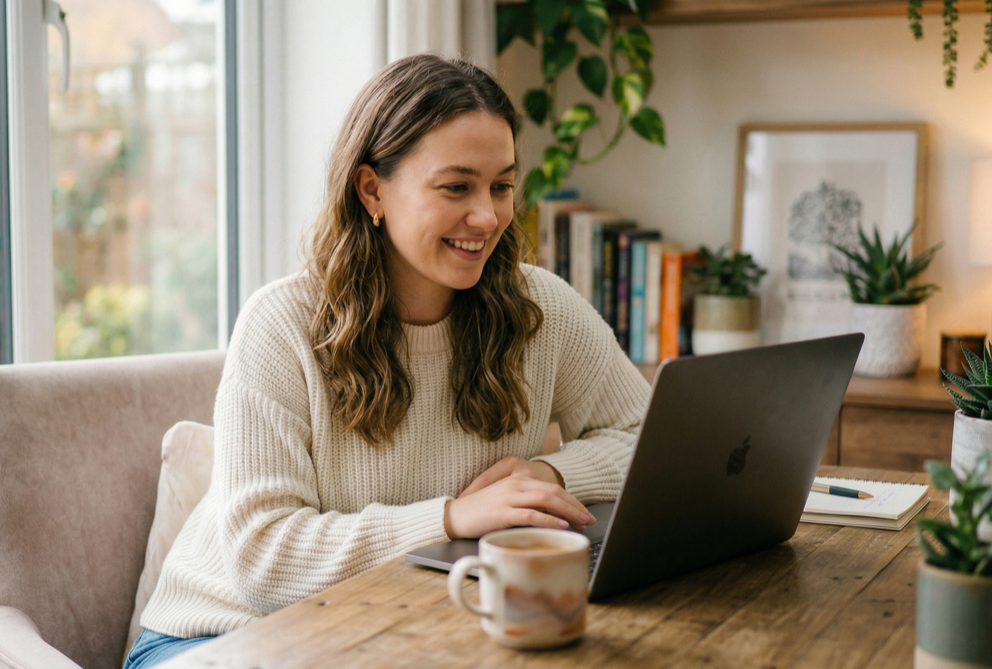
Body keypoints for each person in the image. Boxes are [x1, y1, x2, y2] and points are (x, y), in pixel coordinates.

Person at [124, 53, 651, 669]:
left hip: (407, 634)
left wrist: (549, 478)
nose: (488, 216)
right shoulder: (281, 325)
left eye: (502, 186)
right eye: (457, 186)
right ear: (372, 189)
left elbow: (653, 436)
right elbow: (264, 560)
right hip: (220, 638)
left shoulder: (541, 309)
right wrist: (453, 518)